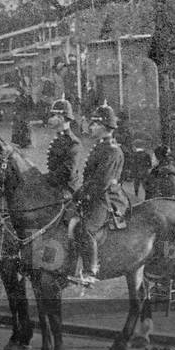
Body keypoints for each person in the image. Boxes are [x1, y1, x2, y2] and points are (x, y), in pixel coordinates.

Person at [70, 103, 125, 283]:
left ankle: (90, 271)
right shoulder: (101, 146)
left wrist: (82, 194)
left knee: (87, 229)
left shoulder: (112, 150)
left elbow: (101, 183)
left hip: (107, 199)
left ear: (103, 127)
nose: (90, 127)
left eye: (94, 124)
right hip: (96, 195)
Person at [45, 98, 82, 198]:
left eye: (54, 116)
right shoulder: (59, 137)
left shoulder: (73, 142)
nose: (51, 119)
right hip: (55, 184)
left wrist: (46, 179)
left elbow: (68, 171)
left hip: (67, 188)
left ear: (62, 118)